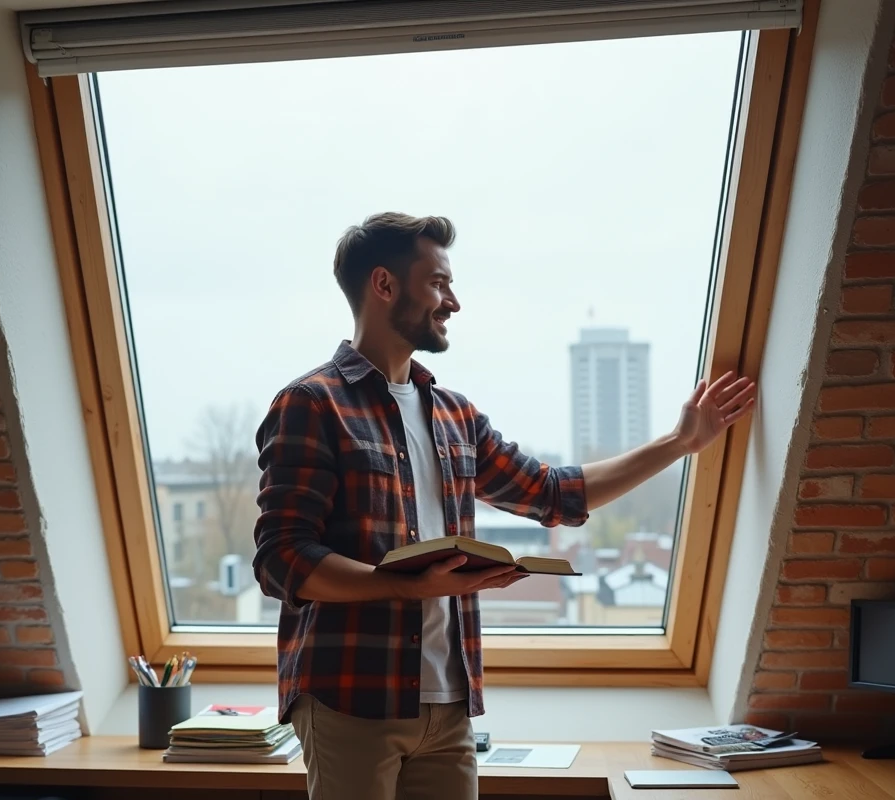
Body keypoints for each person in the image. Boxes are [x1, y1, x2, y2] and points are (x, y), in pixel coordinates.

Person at [251, 212, 756, 800]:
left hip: (450, 708)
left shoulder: (455, 416)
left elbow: (553, 494)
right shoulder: (312, 404)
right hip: (351, 701)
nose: (453, 302)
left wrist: (680, 443)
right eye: (438, 283)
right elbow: (283, 560)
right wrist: (403, 587)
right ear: (384, 285)